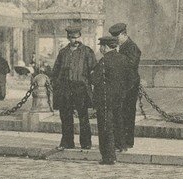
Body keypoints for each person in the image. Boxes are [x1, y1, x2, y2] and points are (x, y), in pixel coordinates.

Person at [51, 25, 97, 150]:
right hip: (65, 88)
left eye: (76, 37)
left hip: (80, 88)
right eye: (71, 38)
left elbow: (94, 70)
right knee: (65, 116)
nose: (74, 40)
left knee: (83, 117)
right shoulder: (63, 52)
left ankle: (86, 143)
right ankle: (67, 142)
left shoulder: (87, 52)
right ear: (68, 38)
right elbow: (56, 70)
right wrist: (57, 84)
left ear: (80, 37)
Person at [91, 36, 134, 165]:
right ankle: (121, 145)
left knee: (105, 127)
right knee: (118, 122)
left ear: (106, 47)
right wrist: (122, 91)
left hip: (104, 98)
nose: (100, 49)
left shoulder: (104, 61)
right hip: (119, 97)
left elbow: (94, 79)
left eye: (101, 46)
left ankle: (109, 157)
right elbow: (132, 79)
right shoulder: (124, 59)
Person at [110, 22, 141, 150]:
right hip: (120, 86)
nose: (115, 40)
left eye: (117, 38)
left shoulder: (132, 47)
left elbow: (130, 66)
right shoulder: (120, 46)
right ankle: (120, 141)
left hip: (129, 86)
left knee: (127, 114)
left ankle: (127, 141)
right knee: (119, 114)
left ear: (124, 35)